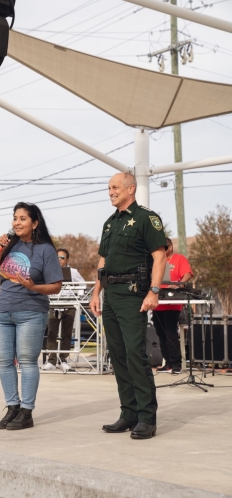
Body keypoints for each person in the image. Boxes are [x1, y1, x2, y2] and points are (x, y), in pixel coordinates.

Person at [90, 172, 167, 440]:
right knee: (118, 355)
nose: (110, 191)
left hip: (134, 294)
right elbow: (103, 261)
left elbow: (160, 257)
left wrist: (154, 292)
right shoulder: (110, 223)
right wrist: (96, 292)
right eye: (108, 187)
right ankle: (129, 413)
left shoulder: (147, 218)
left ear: (131, 188)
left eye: (115, 187)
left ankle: (147, 418)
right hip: (111, 295)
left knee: (136, 353)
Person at [0, 202, 62, 431]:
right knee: (3, 360)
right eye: (15, 218)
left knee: (27, 360)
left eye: (22, 219)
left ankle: (27, 412)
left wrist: (34, 286)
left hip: (31, 311)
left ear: (35, 223)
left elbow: (56, 286)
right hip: (2, 311)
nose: (17, 222)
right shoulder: (10, 244)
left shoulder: (45, 250)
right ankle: (13, 407)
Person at [153, 237, 193, 375]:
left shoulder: (179, 259)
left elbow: (188, 274)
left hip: (172, 302)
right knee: (161, 334)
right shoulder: (156, 260)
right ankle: (168, 363)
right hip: (157, 302)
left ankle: (176, 365)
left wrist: (178, 284)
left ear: (169, 247)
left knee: (170, 332)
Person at [43, 248, 85, 372]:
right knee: (51, 333)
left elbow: (82, 284)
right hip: (53, 304)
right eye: (57, 257)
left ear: (67, 260)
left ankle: (64, 360)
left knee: (67, 334)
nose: (59, 260)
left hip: (69, 305)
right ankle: (51, 360)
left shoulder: (73, 272)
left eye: (62, 258)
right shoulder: (48, 271)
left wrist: (76, 293)